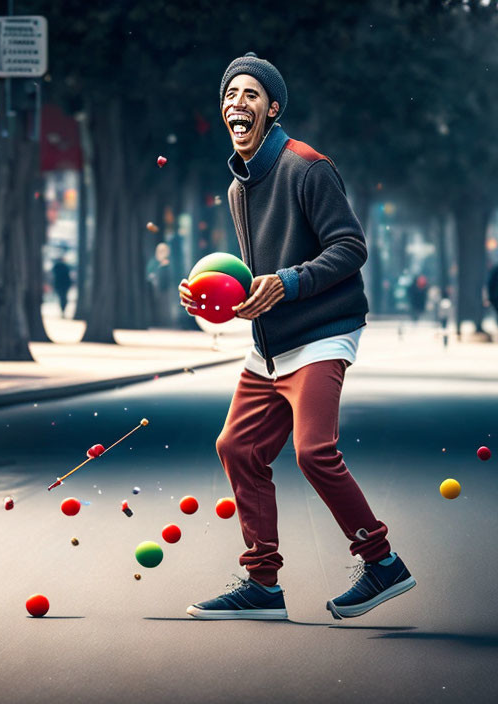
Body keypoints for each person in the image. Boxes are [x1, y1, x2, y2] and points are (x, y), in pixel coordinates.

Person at [179, 52, 413, 621]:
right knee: (237, 447)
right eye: (230, 94)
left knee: (313, 451)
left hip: (322, 333)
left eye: (251, 95)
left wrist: (286, 284)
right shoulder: (238, 188)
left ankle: (382, 562)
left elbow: (350, 248)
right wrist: (213, 295)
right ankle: (262, 583)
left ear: (272, 108)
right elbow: (255, 269)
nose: (238, 103)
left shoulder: (307, 168)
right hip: (270, 344)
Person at [146, 242, 173, 327]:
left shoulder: (169, 262)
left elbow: (171, 276)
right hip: (155, 288)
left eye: (165, 251)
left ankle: (165, 322)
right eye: (161, 251)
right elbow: (150, 274)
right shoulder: (153, 262)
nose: (163, 253)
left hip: (166, 288)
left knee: (165, 307)